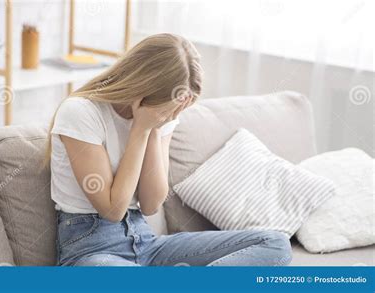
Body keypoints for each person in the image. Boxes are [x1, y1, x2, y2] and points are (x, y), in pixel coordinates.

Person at [48, 33, 292, 266]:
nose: (170, 117)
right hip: (92, 250)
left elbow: (151, 204)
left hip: (146, 243)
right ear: (141, 90)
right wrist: (141, 130)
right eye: (167, 109)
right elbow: (113, 209)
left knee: (275, 244)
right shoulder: (80, 112)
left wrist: (156, 129)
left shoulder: (159, 117)